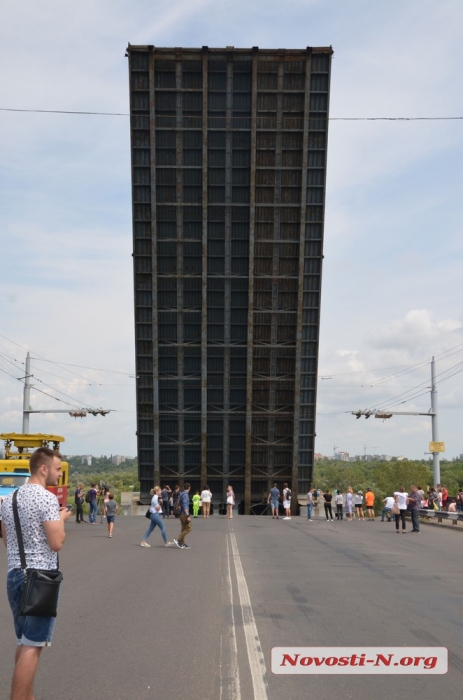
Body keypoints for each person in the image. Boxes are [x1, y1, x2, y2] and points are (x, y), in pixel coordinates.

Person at [1, 447, 71, 700]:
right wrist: (61, 519)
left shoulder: (10, 499)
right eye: (56, 469)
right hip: (41, 578)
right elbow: (56, 543)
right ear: (43, 468)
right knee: (33, 646)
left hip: (14, 576)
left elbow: (8, 541)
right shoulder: (47, 498)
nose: (58, 475)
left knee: (23, 641)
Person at [174, 483, 192, 549]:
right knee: (189, 528)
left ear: (184, 487)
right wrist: (188, 515)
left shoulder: (181, 493)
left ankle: (182, 543)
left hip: (180, 514)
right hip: (184, 513)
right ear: (189, 488)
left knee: (183, 528)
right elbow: (185, 505)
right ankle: (177, 539)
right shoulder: (185, 495)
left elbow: (178, 502)